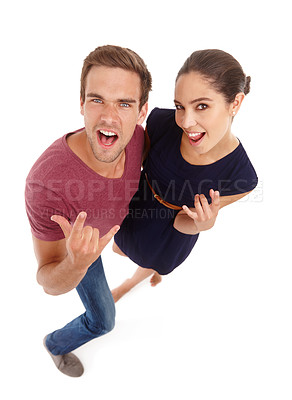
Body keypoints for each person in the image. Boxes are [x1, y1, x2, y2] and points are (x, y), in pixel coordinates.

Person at [25, 45, 152, 377]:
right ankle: (55, 343)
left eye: (124, 103)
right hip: (79, 250)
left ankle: (124, 275)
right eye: (97, 100)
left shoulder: (140, 138)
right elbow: (48, 282)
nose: (109, 117)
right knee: (104, 321)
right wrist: (77, 262)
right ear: (81, 103)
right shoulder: (47, 185)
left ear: (141, 112)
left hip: (114, 228)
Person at [111, 49, 258, 302]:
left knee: (152, 262)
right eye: (180, 106)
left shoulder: (241, 176)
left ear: (235, 103)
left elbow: (182, 222)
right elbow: (134, 164)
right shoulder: (160, 122)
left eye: (202, 106)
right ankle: (146, 271)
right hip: (138, 205)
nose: (186, 122)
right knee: (118, 248)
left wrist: (204, 223)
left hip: (169, 232)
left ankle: (131, 282)